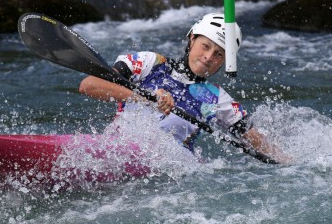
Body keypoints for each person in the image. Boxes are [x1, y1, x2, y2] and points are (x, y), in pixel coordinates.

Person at [79, 13, 289, 164]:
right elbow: (89, 85)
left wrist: (292, 164)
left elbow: (256, 140)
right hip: (115, 151)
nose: (209, 57)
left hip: (166, 170)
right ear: (192, 39)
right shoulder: (150, 63)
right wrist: (147, 98)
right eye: (205, 46)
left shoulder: (217, 99)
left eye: (219, 54)